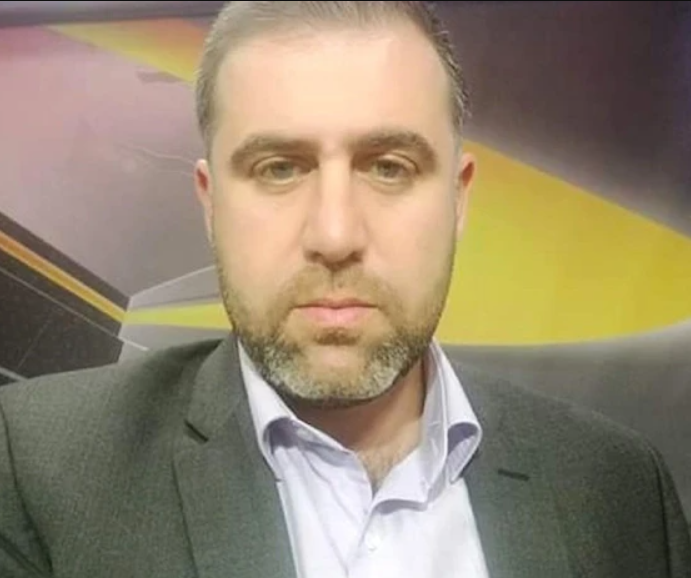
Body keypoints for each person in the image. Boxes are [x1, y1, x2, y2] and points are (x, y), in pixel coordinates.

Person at [1, 1, 690, 577]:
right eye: (278, 168)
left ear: (457, 201)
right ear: (211, 206)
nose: (334, 234)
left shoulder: (620, 489)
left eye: (389, 167)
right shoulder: (36, 468)